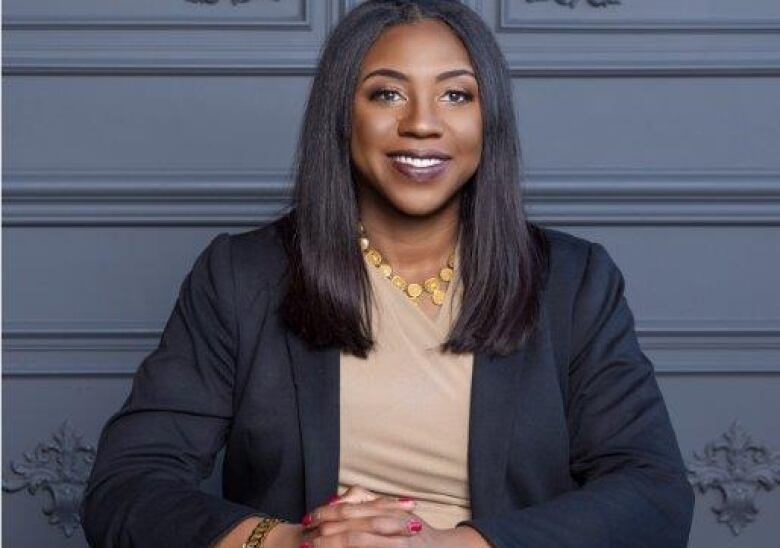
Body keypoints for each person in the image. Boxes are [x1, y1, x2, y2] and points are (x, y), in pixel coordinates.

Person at [79, 1, 694, 547]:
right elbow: (127, 488)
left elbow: (653, 495)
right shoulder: (241, 276)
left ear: (490, 120)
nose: (422, 123)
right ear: (342, 116)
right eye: (386, 93)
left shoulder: (573, 281)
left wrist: (449, 547)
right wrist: (292, 542)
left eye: (457, 95)